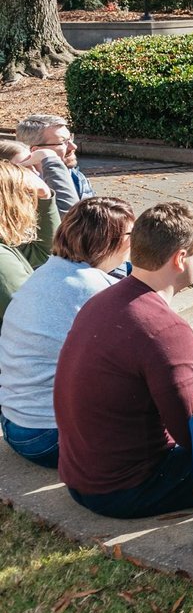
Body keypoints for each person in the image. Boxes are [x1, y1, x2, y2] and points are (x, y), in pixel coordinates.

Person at [53, 202, 193, 519]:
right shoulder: (165, 328)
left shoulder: (102, 301)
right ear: (180, 258)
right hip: (128, 488)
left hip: (81, 478)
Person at [0, 197, 134, 468]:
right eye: (132, 234)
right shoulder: (95, 289)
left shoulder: (47, 272)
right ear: (114, 241)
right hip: (49, 436)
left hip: (15, 423)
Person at [0, 162, 57, 325]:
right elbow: (35, 317)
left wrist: (46, 197)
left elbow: (42, 254)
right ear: (11, 203)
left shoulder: (6, 246)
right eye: (30, 196)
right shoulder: (2, 259)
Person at [16, 114, 91, 217]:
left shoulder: (76, 177)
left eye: (70, 139)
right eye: (63, 142)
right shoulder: (18, 188)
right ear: (36, 151)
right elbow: (70, 222)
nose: (73, 146)